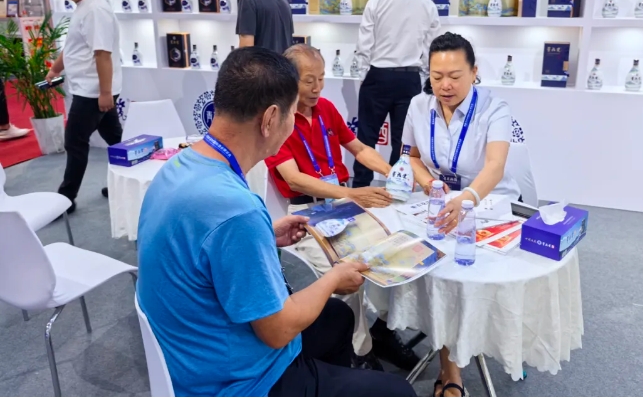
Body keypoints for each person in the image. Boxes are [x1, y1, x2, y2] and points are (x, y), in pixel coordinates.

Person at [137, 47, 415, 398]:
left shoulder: (178, 167)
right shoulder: (237, 210)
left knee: (337, 318)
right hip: (240, 381)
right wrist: (334, 278)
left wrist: (265, 235)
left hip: (192, 353)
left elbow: (202, 247)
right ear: (270, 118)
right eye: (290, 114)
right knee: (398, 391)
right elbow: (278, 331)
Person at [265, 44, 419, 372]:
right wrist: (351, 194)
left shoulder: (326, 109)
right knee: (346, 277)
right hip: (304, 217)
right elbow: (295, 178)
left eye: (321, 79)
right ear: (289, 79)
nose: (317, 87)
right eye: (309, 80)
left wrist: (394, 173)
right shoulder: (278, 119)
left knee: (392, 249)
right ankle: (356, 352)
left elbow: (359, 148)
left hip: (340, 204)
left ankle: (383, 329)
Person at [402, 32, 519, 397]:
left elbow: (495, 166)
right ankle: (450, 370)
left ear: (474, 72)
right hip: (440, 204)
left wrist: (466, 197)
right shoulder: (418, 106)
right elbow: (411, 157)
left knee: (473, 273)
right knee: (441, 274)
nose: (445, 85)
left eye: (455, 76)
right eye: (437, 76)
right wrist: (429, 185)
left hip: (487, 204)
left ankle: (477, 343)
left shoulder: (494, 108)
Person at [352, 0, 440, 188]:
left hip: (378, 76)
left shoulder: (377, 1)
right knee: (404, 142)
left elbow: (364, 44)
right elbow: (431, 48)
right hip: (410, 79)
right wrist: (424, 76)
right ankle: (396, 189)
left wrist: (363, 76)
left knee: (366, 137)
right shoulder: (428, 5)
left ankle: (360, 188)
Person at [45, 0, 122, 213]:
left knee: (75, 142)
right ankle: (124, 185)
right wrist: (55, 69)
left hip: (93, 93)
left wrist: (105, 92)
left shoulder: (95, 10)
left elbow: (102, 54)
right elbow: (74, 47)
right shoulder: (84, 7)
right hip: (94, 90)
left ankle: (65, 199)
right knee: (117, 140)